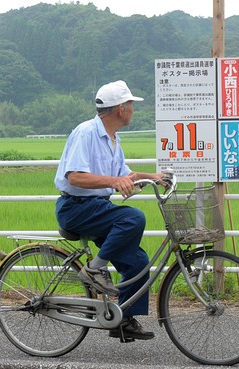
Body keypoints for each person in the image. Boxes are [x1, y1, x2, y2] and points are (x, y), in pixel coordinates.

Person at [54, 80, 168, 341]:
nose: (132, 109)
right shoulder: (87, 133)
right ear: (120, 109)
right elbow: (75, 177)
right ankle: (95, 269)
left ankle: (123, 320)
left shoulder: (113, 139)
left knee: (138, 263)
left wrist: (154, 177)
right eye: (130, 104)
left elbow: (125, 175)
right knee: (133, 217)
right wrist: (114, 182)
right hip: (76, 207)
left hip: (97, 208)